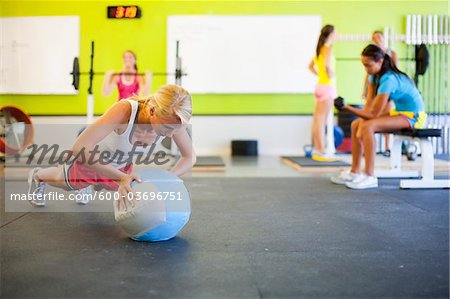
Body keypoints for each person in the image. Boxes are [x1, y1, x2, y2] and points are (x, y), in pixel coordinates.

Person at [27, 84, 196, 208]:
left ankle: (90, 185)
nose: (170, 135)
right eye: (166, 128)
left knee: (132, 194)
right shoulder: (124, 110)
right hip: (91, 157)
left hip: (120, 165)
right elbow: (79, 148)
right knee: (64, 182)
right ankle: (38, 175)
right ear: (152, 111)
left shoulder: (174, 122)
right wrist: (120, 177)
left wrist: (168, 179)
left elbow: (189, 157)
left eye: (175, 129)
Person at [331, 44, 426, 189]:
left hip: (415, 116)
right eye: (364, 65)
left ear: (380, 61)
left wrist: (346, 107)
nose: (366, 69)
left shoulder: (388, 80)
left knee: (369, 126)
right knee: (355, 124)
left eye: (368, 65)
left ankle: (369, 175)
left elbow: (373, 115)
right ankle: (355, 172)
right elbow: (368, 107)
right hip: (399, 113)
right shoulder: (373, 77)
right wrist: (359, 123)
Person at [362, 31, 399, 157]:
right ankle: (369, 147)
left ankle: (388, 148)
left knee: (382, 117)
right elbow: (368, 74)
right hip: (377, 86)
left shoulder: (391, 54)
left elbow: (395, 70)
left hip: (389, 92)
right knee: (367, 122)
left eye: (378, 37)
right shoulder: (371, 58)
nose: (376, 39)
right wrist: (365, 90)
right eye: (374, 38)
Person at [308, 25, 337, 161]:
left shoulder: (319, 49)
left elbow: (310, 66)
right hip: (327, 86)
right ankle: (320, 149)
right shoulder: (327, 48)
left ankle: (319, 148)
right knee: (321, 120)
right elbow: (326, 65)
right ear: (331, 33)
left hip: (320, 85)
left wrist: (320, 74)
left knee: (318, 119)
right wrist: (329, 73)